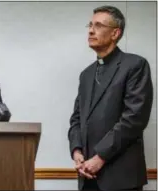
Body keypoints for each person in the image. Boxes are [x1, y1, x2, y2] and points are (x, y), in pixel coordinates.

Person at [68, 5, 153, 191]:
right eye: (90, 25)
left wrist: (100, 157)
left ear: (115, 33)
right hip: (87, 176)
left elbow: (134, 119)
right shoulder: (86, 74)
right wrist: (76, 151)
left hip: (120, 178)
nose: (90, 30)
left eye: (98, 25)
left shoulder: (135, 65)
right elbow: (76, 119)